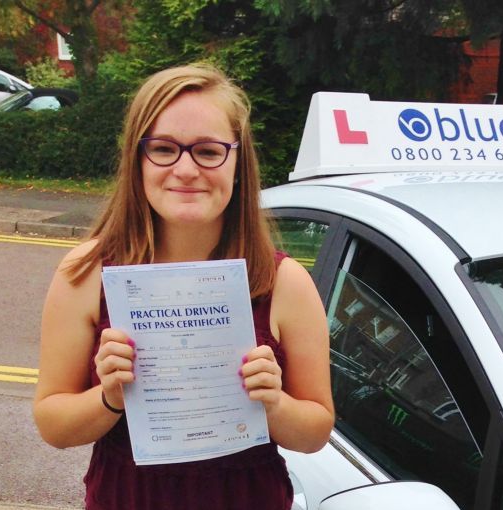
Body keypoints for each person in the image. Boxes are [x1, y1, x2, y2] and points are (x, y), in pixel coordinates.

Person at [33, 64, 334, 510]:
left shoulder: (284, 282)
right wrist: (109, 397)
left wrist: (274, 404)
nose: (186, 169)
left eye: (209, 151)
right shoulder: (85, 273)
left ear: (237, 161)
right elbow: (53, 425)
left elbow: (315, 432)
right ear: (137, 159)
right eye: (164, 149)